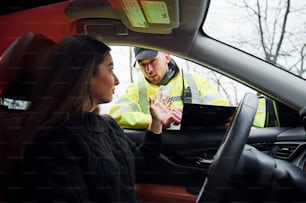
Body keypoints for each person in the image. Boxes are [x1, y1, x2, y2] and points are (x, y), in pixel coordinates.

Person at [4, 35, 170, 202]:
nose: (117, 80)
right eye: (110, 69)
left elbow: (140, 165)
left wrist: (156, 123)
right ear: (85, 73)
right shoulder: (52, 144)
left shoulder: (107, 125)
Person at [109, 47, 229, 129]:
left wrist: (190, 117)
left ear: (167, 57)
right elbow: (117, 116)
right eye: (143, 64)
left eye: (153, 61)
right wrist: (156, 120)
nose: (149, 70)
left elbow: (222, 110)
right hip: (156, 149)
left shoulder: (193, 79)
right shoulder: (136, 88)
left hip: (194, 147)